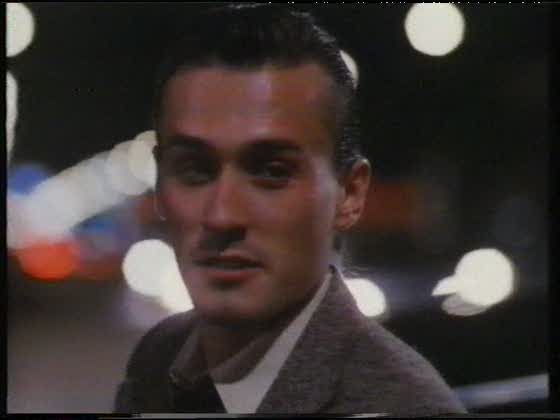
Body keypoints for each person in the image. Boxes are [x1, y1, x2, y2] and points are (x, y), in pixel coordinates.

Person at [114, 4, 466, 415]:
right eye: (194, 170)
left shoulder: (403, 405)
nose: (222, 215)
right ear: (159, 184)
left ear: (350, 194)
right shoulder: (157, 360)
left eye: (272, 172)